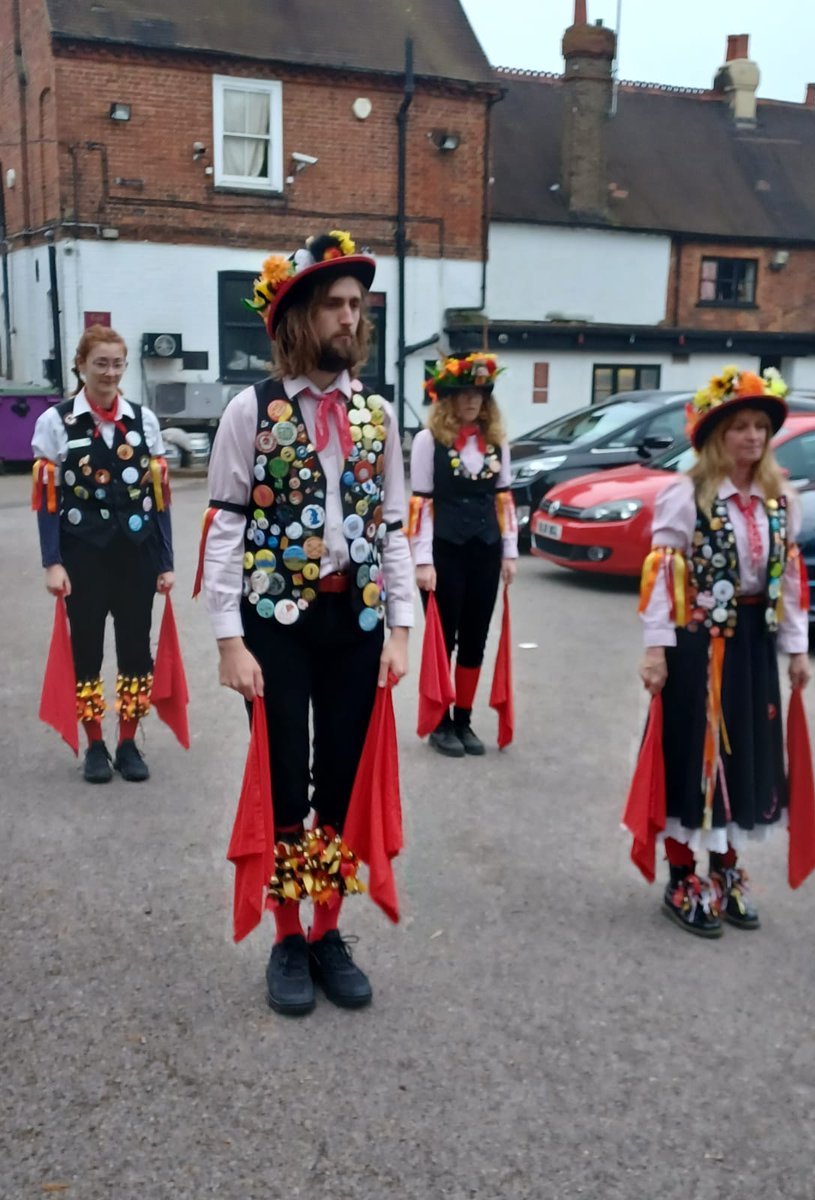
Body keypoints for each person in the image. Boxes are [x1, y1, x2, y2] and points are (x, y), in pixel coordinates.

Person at [198, 231, 414, 1015]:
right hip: (274, 625)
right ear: (296, 319)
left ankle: (328, 931)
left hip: (352, 619)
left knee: (344, 776)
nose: (350, 318)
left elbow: (394, 526)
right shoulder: (248, 412)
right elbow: (224, 527)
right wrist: (229, 639)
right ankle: (287, 937)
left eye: (357, 305)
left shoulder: (377, 416)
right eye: (334, 304)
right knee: (286, 769)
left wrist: (399, 628)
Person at [635, 365, 811, 936]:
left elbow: (787, 580)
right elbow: (664, 576)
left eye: (761, 426)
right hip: (698, 651)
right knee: (696, 755)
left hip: (753, 649)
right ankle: (683, 874)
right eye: (740, 426)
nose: (753, 437)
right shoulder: (686, 495)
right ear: (717, 435)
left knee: (745, 755)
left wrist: (797, 649)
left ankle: (727, 867)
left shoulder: (780, 500)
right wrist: (656, 650)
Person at [31, 325, 175, 783]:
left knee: (136, 650)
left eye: (117, 364)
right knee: (87, 648)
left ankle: (129, 742)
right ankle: (94, 744)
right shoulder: (56, 422)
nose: (110, 373)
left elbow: (160, 497)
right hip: (84, 554)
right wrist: (52, 561)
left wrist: (166, 560)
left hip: (136, 553)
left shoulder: (142, 419)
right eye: (100, 363)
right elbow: (47, 501)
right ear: (80, 366)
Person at [409, 354, 517, 756]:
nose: (472, 401)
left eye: (478, 394)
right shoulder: (427, 442)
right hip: (444, 553)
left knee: (475, 639)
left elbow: (504, 499)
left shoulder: (496, 443)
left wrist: (509, 553)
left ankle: (464, 720)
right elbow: (421, 502)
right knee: (445, 639)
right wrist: (422, 561)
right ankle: (440, 722)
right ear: (447, 400)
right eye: (463, 394)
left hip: (486, 550)